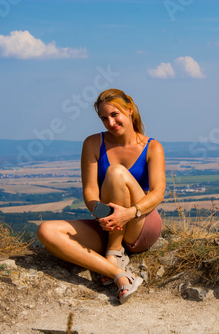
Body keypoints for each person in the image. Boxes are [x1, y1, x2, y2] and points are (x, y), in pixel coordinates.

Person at [37, 88, 165, 304]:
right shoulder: (93, 143)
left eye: (115, 115)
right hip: (107, 222)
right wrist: (105, 215)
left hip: (140, 223)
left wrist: (128, 214)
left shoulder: (152, 147)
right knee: (46, 230)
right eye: (104, 118)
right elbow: (89, 192)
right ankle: (119, 274)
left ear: (130, 111)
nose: (110, 122)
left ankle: (114, 252)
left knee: (116, 172)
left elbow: (158, 192)